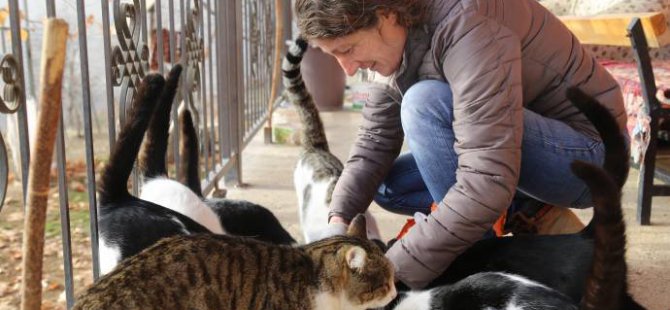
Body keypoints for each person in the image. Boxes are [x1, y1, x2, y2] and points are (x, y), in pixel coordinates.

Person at [294, 0, 627, 289]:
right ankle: (531, 210)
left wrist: (388, 271)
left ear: (385, 15)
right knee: (383, 186)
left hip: (590, 156)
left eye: (348, 50)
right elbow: (373, 144)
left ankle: (479, 262)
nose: (349, 69)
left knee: (424, 105)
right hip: (511, 144)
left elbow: (486, 182)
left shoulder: (467, 22)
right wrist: (336, 224)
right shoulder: (396, 33)